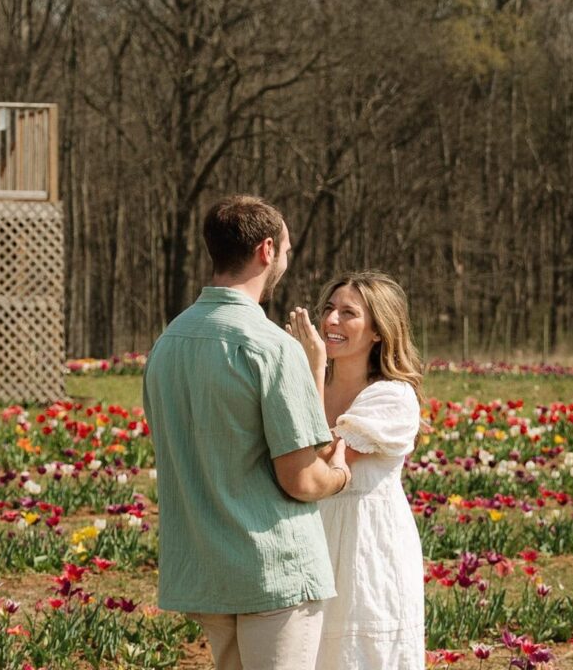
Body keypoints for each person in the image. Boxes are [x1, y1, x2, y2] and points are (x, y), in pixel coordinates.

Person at [143, 195, 352, 670]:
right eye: (286, 250)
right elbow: (301, 479)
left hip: (205, 568)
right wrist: (339, 473)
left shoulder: (167, 343)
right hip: (273, 568)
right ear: (265, 250)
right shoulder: (271, 347)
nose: (284, 259)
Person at [286, 270, 425, 670]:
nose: (331, 321)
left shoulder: (393, 397)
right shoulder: (312, 384)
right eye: (328, 309)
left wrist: (309, 370)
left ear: (379, 330)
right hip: (310, 538)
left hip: (369, 547)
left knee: (358, 653)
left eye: (349, 313)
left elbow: (316, 453)